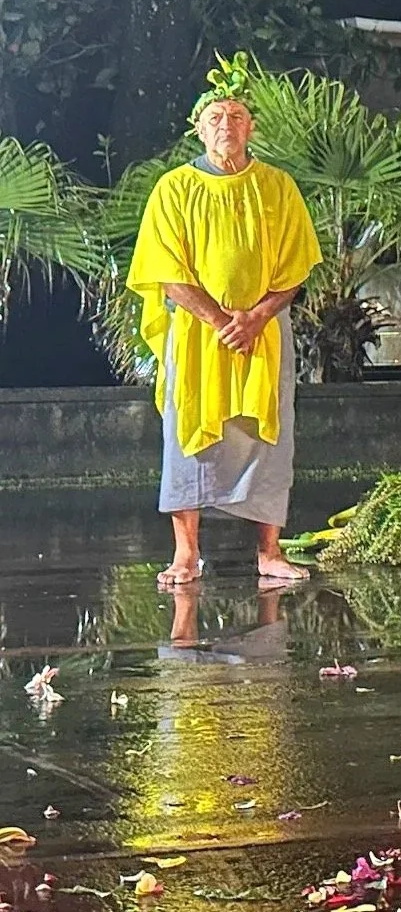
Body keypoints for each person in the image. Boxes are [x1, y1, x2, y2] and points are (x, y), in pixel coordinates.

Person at [127, 52, 322, 588]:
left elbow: (297, 264)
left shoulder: (277, 186)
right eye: (215, 117)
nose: (226, 126)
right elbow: (166, 270)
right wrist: (219, 320)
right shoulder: (174, 189)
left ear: (251, 127)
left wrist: (257, 317)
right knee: (189, 435)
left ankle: (269, 552)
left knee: (267, 436)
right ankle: (186, 555)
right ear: (198, 129)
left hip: (262, 333)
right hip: (198, 335)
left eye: (236, 116)